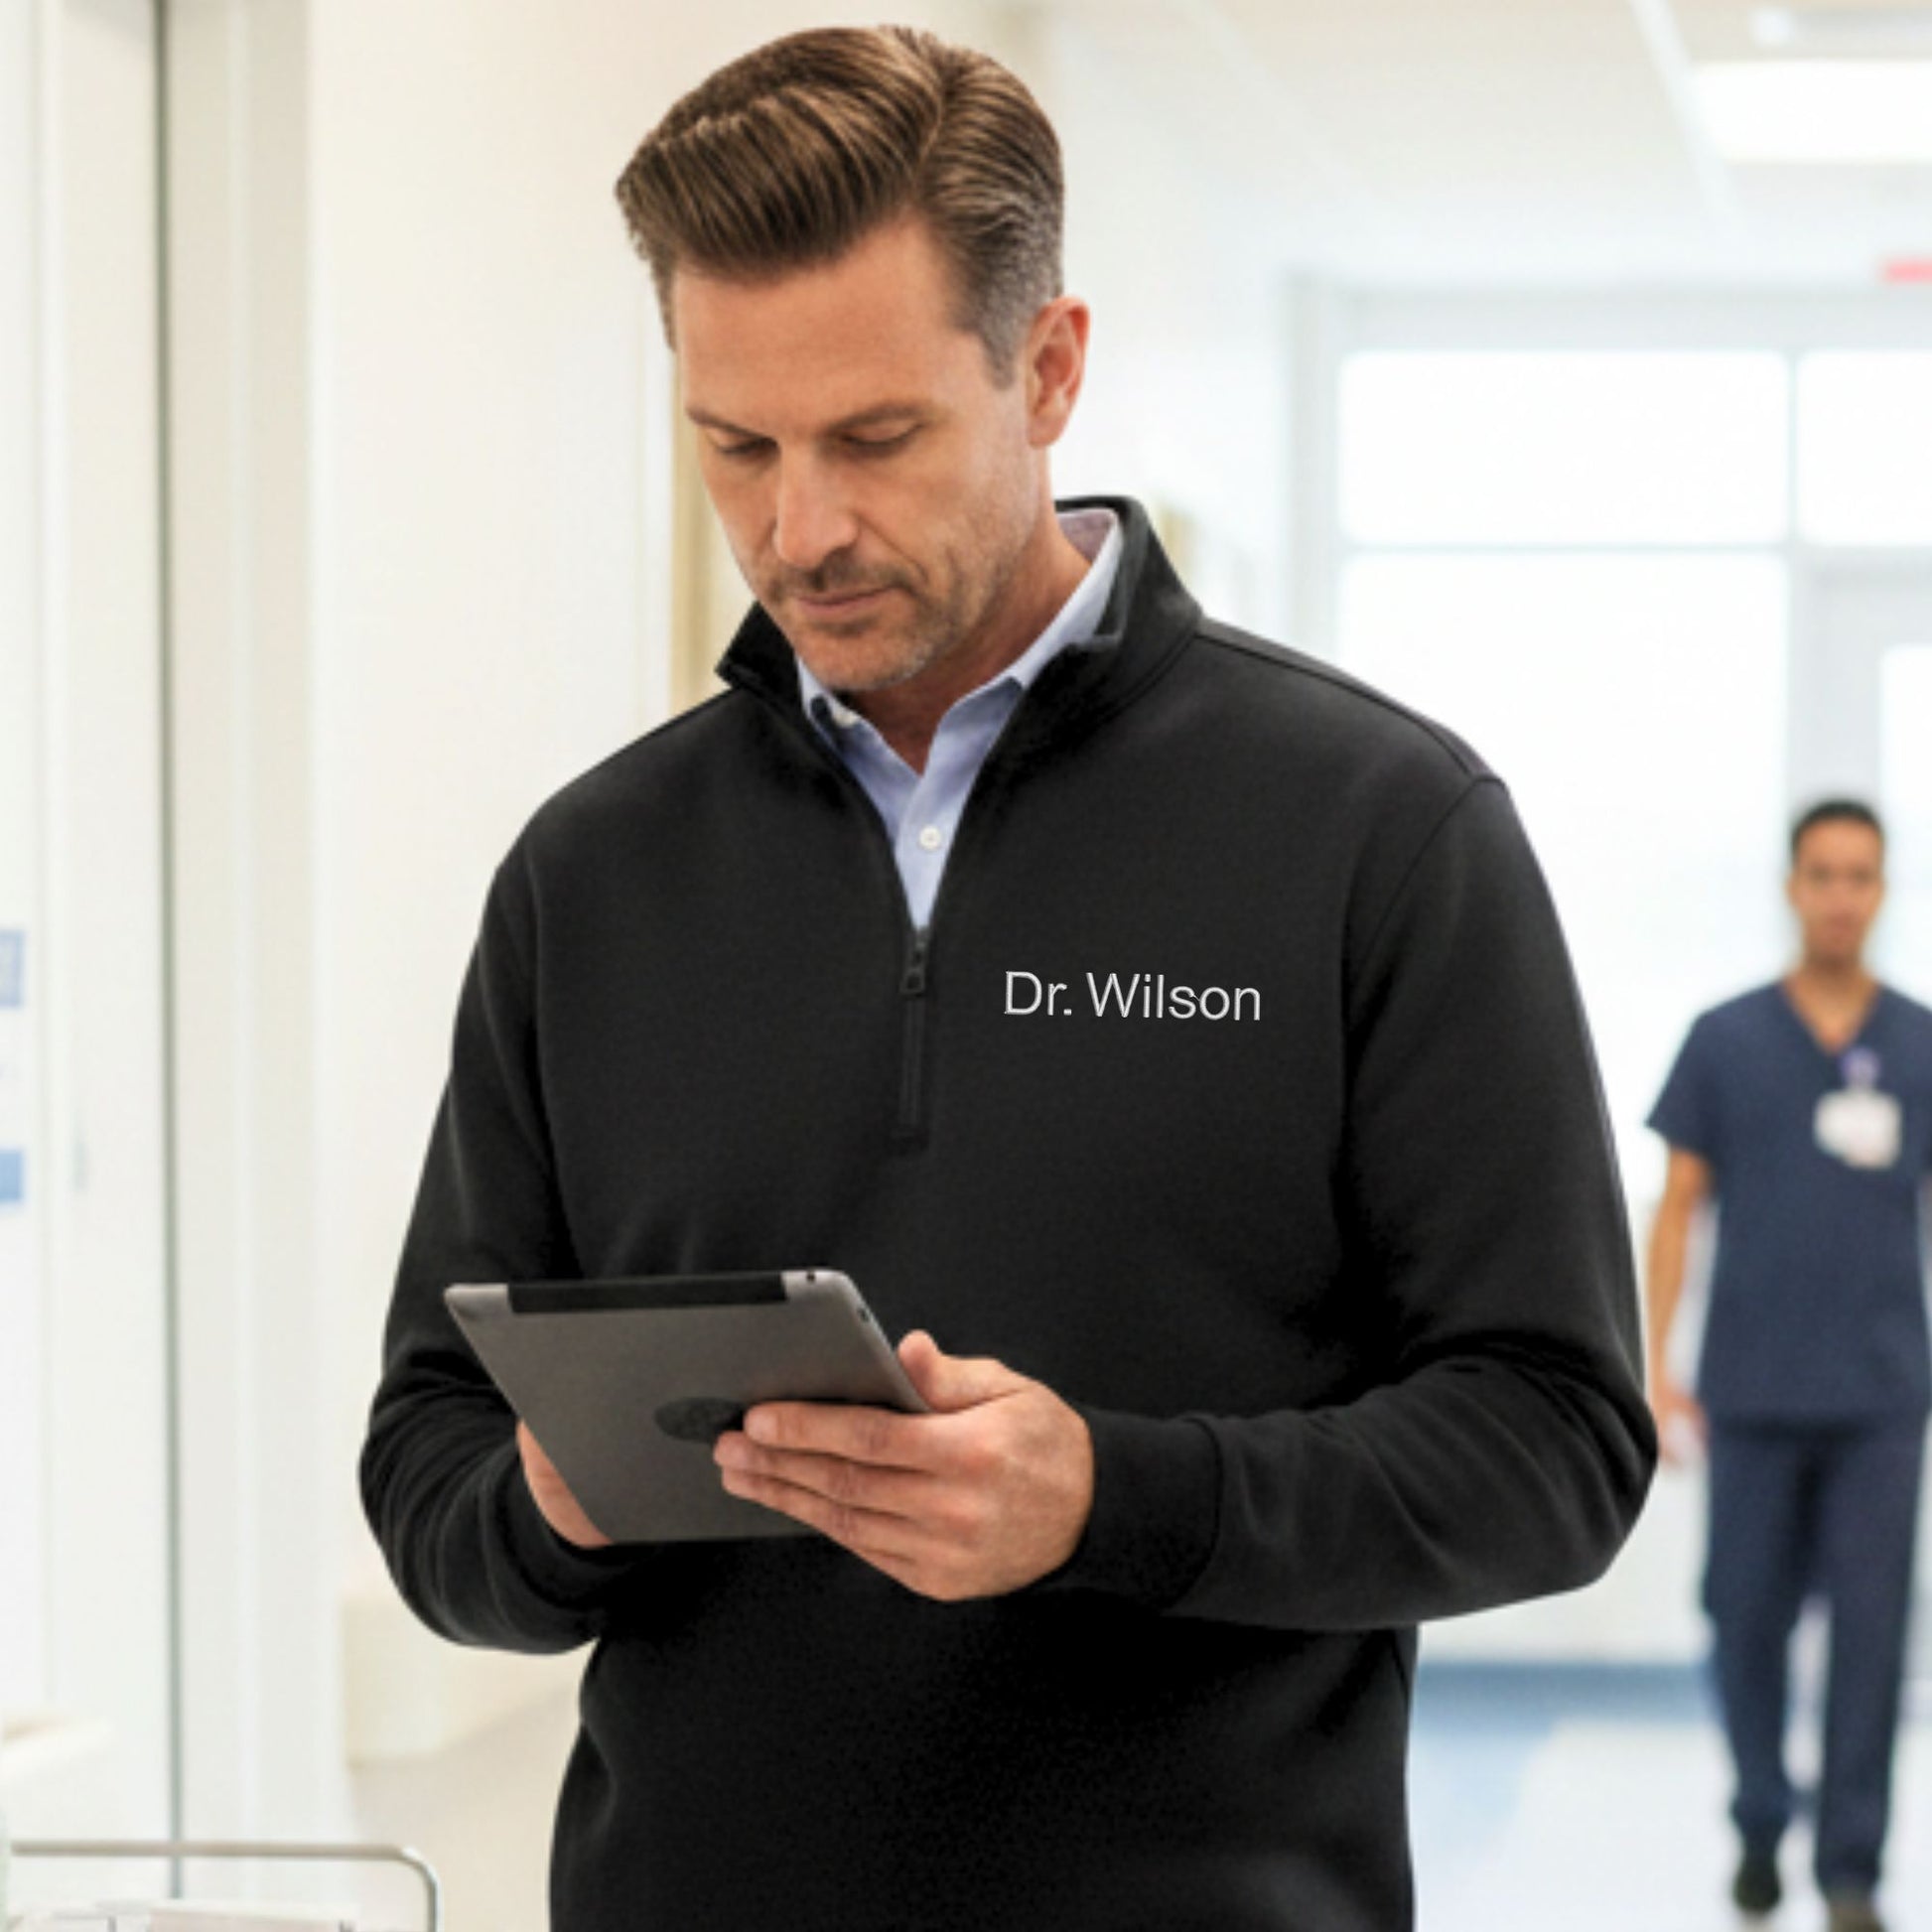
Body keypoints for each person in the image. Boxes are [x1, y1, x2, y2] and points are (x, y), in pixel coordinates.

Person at [359, 26, 1655, 1931]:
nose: (797, 529)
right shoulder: (590, 878)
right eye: (737, 445)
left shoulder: (1382, 831)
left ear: (1049, 370)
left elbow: (1557, 1441)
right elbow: (425, 1469)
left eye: (875, 438)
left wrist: (1112, 1500)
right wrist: (557, 1504)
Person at [1646, 798, 1932, 1932]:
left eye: (1859, 874)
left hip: (1877, 1396)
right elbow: (1677, 1209)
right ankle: (1761, 1815)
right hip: (1751, 1386)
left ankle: (1849, 1866)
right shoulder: (1723, 1038)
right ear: (1788, 885)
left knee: (1870, 1629)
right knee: (1741, 1614)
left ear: (1880, 890)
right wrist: (1653, 1367)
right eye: (1819, 872)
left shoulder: (1915, 1041)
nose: (1838, 894)